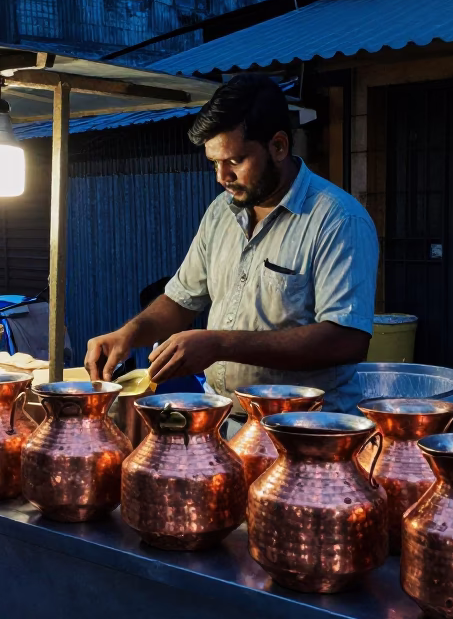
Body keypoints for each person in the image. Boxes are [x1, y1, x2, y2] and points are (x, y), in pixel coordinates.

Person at [85, 75, 380, 414]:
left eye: (235, 161)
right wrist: (129, 333)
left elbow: (347, 340)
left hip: (309, 432)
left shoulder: (338, 219)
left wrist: (220, 344)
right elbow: (182, 300)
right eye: (214, 163)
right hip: (228, 421)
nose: (221, 177)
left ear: (279, 147)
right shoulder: (221, 212)